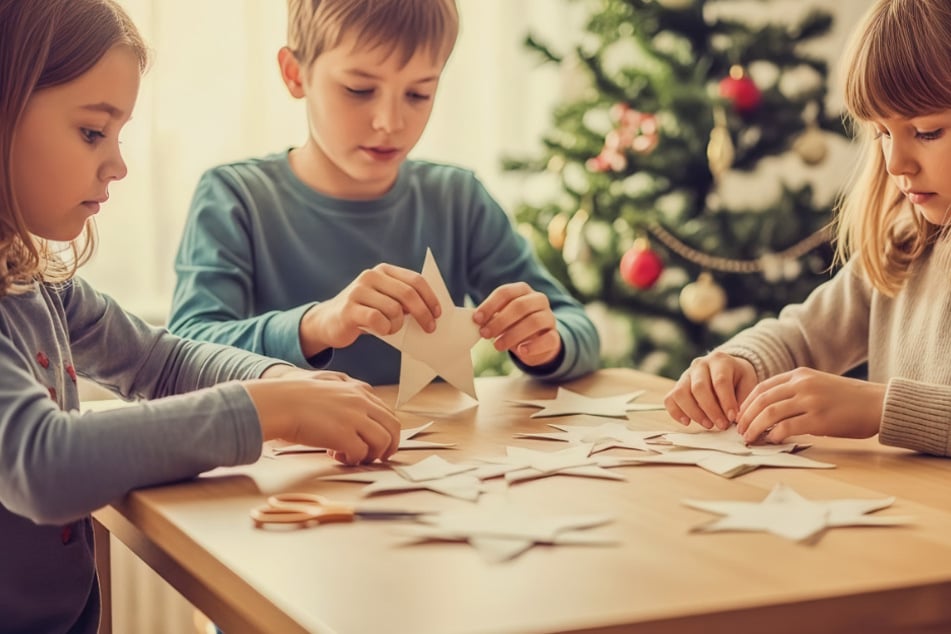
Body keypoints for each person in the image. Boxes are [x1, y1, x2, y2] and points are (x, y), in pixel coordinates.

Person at [0, 2, 402, 631]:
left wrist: (283, 383)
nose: (119, 164)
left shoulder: (38, 285)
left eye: (119, 134)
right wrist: (272, 410)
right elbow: (41, 465)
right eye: (91, 132)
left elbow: (162, 360)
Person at [167, 0, 600, 388]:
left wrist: (549, 342)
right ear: (295, 73)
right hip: (288, 468)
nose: (390, 122)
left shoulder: (457, 198)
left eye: (419, 93)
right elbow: (184, 354)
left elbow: (575, 324)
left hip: (443, 467)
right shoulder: (235, 198)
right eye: (359, 89)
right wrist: (318, 324)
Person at [663, 0, 951, 457]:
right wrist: (740, 362)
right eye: (881, 133)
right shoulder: (905, 240)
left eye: (928, 132)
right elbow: (804, 336)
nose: (896, 163)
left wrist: (883, 409)